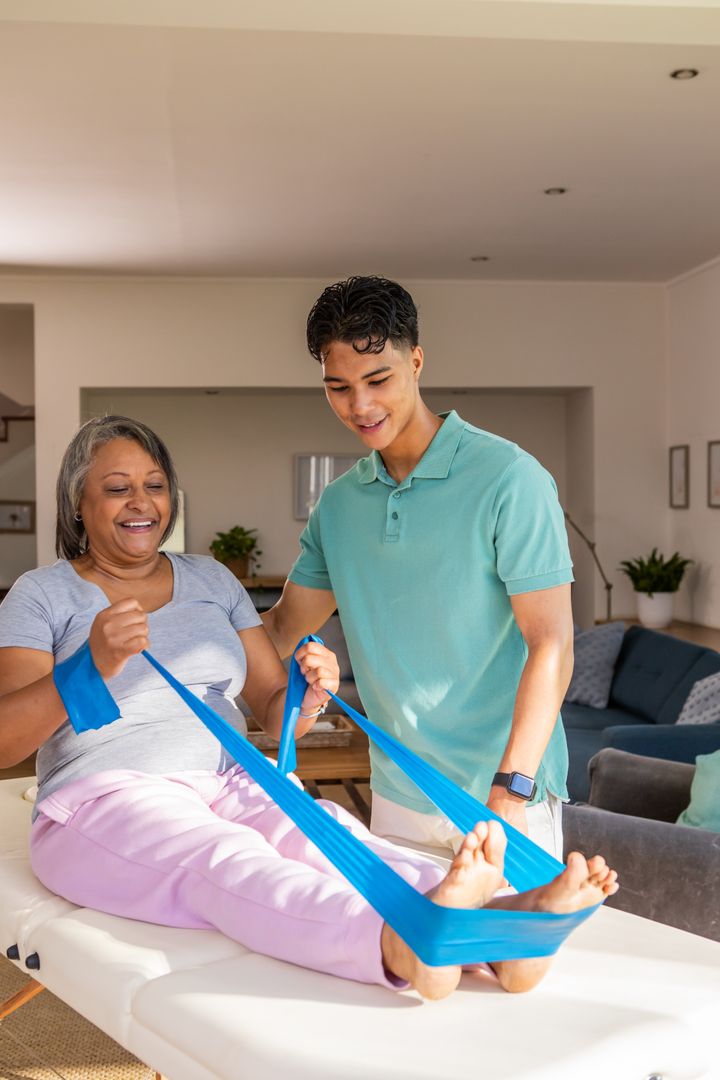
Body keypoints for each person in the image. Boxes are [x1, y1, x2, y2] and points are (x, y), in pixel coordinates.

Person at [0, 415, 616, 999]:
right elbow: (8, 743)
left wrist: (308, 692)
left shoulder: (212, 580)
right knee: (225, 859)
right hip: (104, 797)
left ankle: (498, 934)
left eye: (155, 485)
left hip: (236, 779)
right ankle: (398, 944)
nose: (142, 501)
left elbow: (272, 707)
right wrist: (91, 666)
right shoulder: (43, 594)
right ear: (78, 503)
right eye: (117, 488)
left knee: (332, 837)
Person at [263, 276, 575, 860]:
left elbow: (552, 643)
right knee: (396, 955)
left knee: (511, 956)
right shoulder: (338, 506)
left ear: (417, 361)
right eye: (339, 387)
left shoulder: (510, 477)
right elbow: (279, 630)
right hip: (398, 795)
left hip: (502, 797)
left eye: (378, 380)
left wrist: (512, 791)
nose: (360, 406)